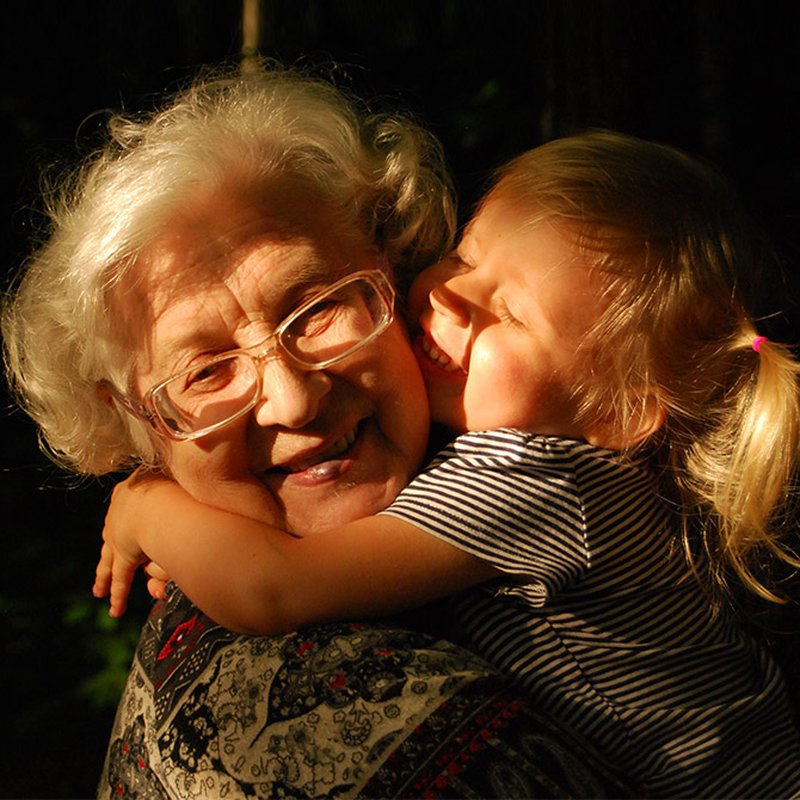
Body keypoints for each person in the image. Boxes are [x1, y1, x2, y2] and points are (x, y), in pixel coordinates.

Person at [96, 131, 800, 797]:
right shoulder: (519, 455)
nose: (451, 296)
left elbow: (272, 588)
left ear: (615, 413)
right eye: (465, 258)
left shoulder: (538, 478)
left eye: (514, 316)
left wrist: (151, 508)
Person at [1, 63, 636, 798]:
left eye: (318, 309)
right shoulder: (326, 709)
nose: (295, 401)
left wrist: (154, 509)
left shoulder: (532, 456)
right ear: (141, 429)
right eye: (207, 371)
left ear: (395, 280)